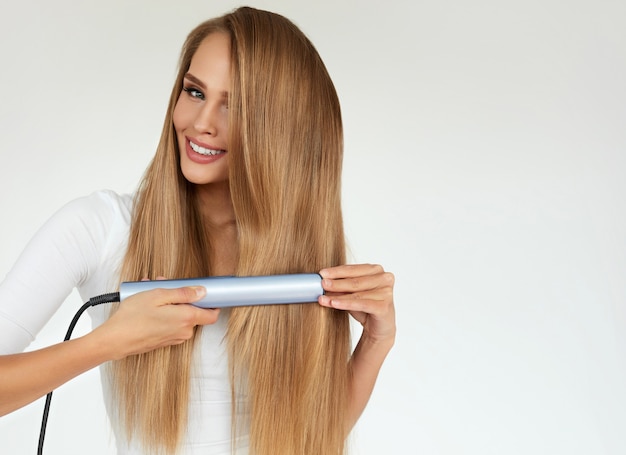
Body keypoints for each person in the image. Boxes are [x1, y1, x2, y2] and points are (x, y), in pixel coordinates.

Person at [0, 6, 395, 455]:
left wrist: (375, 345)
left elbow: (311, 436)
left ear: (281, 131)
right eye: (194, 91)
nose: (202, 122)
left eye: (234, 105)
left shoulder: (302, 267)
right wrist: (108, 342)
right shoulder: (101, 229)